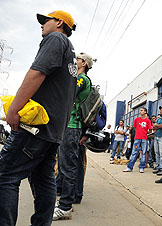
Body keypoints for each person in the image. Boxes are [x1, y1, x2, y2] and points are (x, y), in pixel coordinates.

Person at [0, 10, 77, 226]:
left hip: (36, 127)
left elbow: (36, 73)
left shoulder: (55, 39)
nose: (41, 25)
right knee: (44, 180)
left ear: (59, 22)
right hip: (53, 131)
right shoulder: (70, 52)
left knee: (5, 176)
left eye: (46, 21)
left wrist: (14, 109)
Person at [54, 52, 94, 221]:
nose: (74, 60)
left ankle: (65, 206)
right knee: (67, 165)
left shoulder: (81, 79)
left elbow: (66, 92)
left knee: (67, 167)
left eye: (77, 59)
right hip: (70, 127)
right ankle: (67, 199)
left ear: (83, 63)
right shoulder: (80, 78)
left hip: (72, 127)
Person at [123, 107, 152, 173]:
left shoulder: (148, 121)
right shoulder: (136, 119)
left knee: (143, 153)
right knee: (134, 153)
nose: (140, 112)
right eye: (140, 110)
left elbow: (150, 130)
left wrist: (144, 132)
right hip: (137, 139)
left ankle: (141, 167)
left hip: (144, 139)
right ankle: (129, 167)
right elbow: (135, 128)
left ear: (145, 112)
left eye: (142, 110)